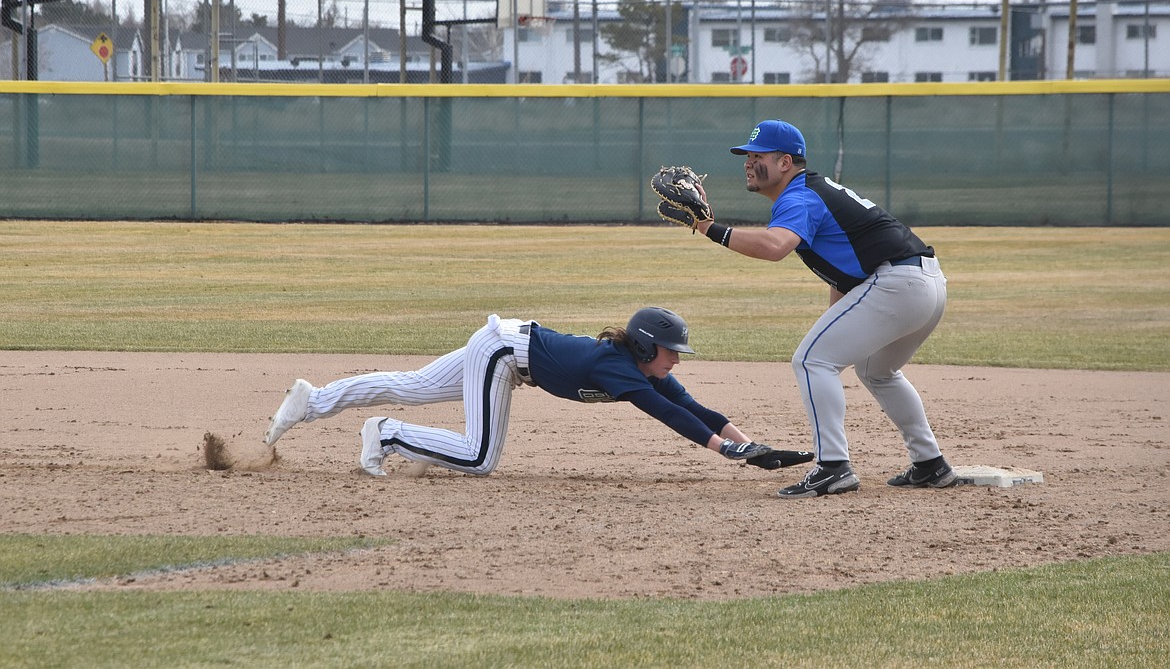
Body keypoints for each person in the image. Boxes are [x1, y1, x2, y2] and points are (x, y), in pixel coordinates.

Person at [682, 119, 957, 499]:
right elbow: (844, 278)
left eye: (757, 156)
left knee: (811, 360)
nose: (748, 162)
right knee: (877, 370)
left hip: (899, 285)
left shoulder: (799, 196)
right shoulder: (812, 191)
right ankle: (930, 464)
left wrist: (708, 228)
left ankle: (833, 468)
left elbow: (775, 247)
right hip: (924, 285)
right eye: (746, 155)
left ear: (785, 163)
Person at [263, 307, 812, 478]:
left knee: (412, 385)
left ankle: (312, 402)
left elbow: (692, 407)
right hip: (505, 354)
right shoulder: (619, 368)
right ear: (647, 348)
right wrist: (726, 453)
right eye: (671, 352)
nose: (675, 362)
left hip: (505, 344)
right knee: (479, 458)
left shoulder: (644, 367)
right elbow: (665, 415)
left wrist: (749, 444)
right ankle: (386, 434)